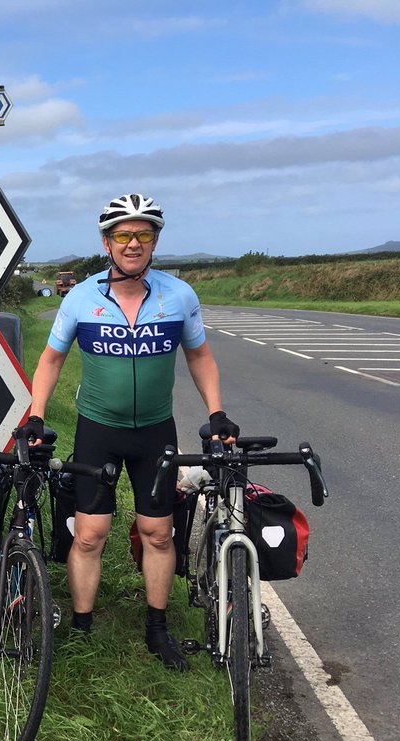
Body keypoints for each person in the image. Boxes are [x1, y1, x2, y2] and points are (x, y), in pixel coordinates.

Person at [18, 193, 238, 670]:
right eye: (123, 234)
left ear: (155, 240)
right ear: (107, 242)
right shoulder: (81, 298)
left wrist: (217, 413)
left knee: (157, 532)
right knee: (90, 534)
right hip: (98, 427)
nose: (133, 243)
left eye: (143, 234)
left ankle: (157, 628)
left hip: (155, 430)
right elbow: (51, 360)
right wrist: (35, 415)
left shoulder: (179, 295)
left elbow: (199, 356)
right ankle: (81, 626)